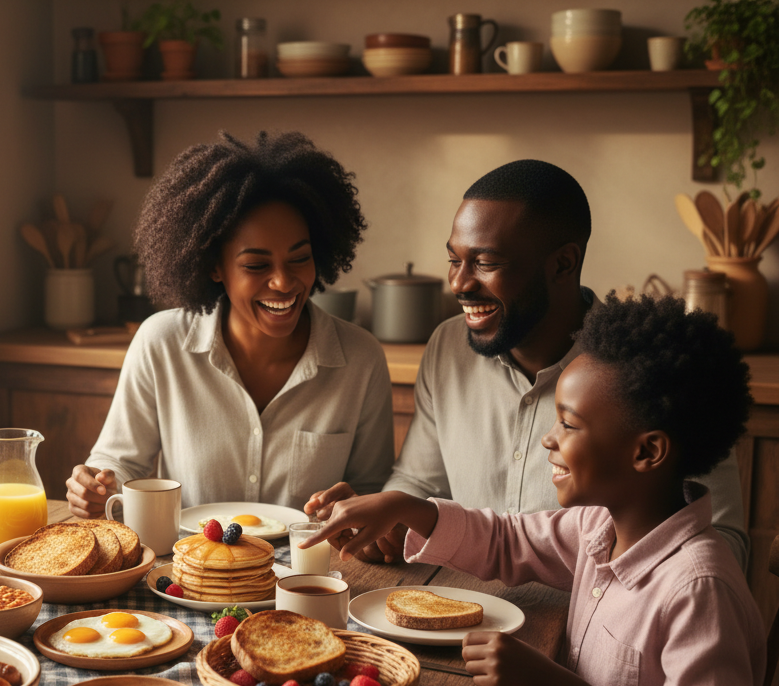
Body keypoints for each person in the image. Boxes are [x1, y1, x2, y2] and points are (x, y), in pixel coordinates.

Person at [304, 293, 764, 686]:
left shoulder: (698, 590)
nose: (550, 438)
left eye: (569, 424)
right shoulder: (601, 526)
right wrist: (410, 508)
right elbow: (507, 539)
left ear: (647, 452)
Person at [306, 159, 749, 572]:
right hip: (465, 618)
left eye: (486, 263)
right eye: (454, 260)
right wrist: (386, 517)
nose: (460, 283)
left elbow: (721, 548)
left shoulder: (651, 370)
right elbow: (420, 485)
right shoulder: (448, 347)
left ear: (563, 263)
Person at [66, 131, 393, 517]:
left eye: (299, 259)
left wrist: (358, 507)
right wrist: (96, 487)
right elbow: (121, 466)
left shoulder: (360, 358)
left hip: (307, 574)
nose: (283, 282)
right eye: (256, 265)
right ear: (214, 267)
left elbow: (373, 491)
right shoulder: (162, 343)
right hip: (189, 569)